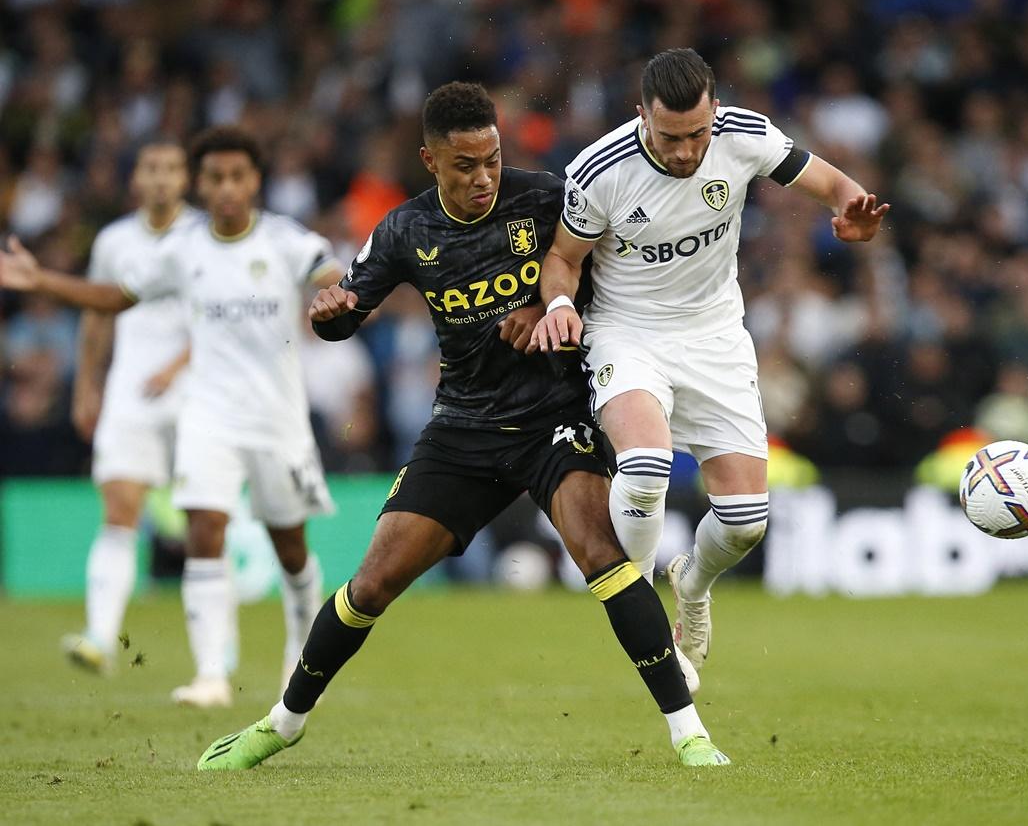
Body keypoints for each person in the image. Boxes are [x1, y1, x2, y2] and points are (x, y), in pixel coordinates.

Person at [193, 82, 727, 771]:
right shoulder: (406, 229)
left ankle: (689, 732)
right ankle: (283, 721)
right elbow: (351, 306)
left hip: (553, 418)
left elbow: (604, 272)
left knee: (602, 552)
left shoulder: (545, 196)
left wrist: (547, 308)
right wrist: (332, 315)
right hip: (463, 427)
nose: (483, 178)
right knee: (372, 583)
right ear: (430, 161)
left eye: (493, 160)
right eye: (465, 165)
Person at [528, 49, 889, 689]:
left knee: (747, 522)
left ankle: (691, 586)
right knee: (644, 467)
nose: (686, 150)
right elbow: (563, 257)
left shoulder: (743, 136)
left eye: (697, 133)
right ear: (642, 115)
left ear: (713, 112)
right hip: (627, 332)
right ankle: (644, 633)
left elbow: (832, 183)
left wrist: (853, 210)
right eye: (670, 137)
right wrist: (558, 303)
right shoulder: (599, 170)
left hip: (716, 336)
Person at [0, 127, 341, 708]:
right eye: (216, 177)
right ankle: (211, 675)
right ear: (201, 183)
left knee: (291, 548)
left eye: (238, 176)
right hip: (208, 415)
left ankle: (300, 649)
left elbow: (332, 274)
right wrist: (43, 282)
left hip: (276, 420)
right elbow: (116, 298)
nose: (227, 188)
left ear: (254, 180)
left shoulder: (284, 241)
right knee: (203, 530)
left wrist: (339, 293)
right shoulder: (183, 251)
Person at [59, 140, 200, 674]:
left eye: (170, 169)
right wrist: (86, 386)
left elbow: (220, 318)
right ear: (136, 178)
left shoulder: (204, 236)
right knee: (119, 509)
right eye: (151, 169)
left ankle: (216, 656)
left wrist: (177, 364)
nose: (160, 179)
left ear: (186, 179)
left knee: (206, 520)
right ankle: (99, 637)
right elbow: (97, 316)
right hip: (129, 392)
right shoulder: (114, 241)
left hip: (196, 388)